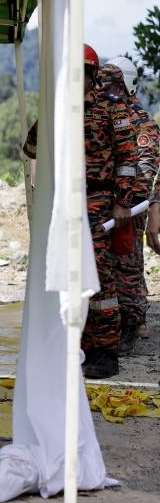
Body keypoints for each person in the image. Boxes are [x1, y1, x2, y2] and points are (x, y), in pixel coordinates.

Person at [78, 45, 137, 379]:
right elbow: (34, 146)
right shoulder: (60, 106)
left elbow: (128, 158)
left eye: (82, 73)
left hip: (99, 201)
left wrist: (122, 200)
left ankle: (107, 350)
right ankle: (82, 344)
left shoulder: (112, 108)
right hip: (68, 202)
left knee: (99, 276)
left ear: (93, 74)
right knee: (72, 276)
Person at [97, 58, 158, 353]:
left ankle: (131, 325)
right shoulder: (101, 112)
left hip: (128, 208)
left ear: (125, 85)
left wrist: (124, 199)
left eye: (109, 84)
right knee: (103, 269)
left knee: (127, 268)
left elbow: (146, 168)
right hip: (102, 205)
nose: (103, 88)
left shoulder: (140, 121)